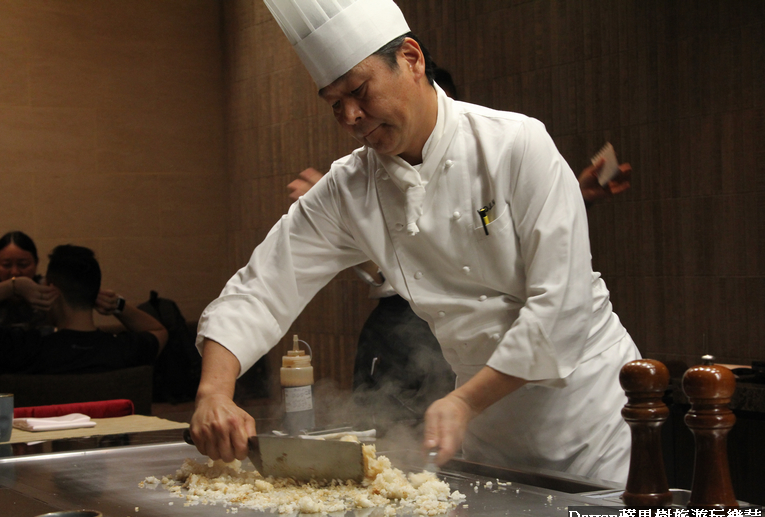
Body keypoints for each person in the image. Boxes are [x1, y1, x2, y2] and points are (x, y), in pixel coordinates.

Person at [190, 0, 640, 484]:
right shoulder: (350, 187)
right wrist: (213, 392)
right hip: (484, 430)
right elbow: (263, 286)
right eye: (334, 103)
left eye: (359, 91)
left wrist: (466, 400)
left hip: (588, 417)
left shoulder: (516, 144)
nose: (350, 116)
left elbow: (562, 308)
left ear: (411, 57)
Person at [0, 245, 167, 385]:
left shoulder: (23, 349)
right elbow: (158, 330)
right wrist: (119, 306)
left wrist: (12, 286)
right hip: (111, 445)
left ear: (52, 291)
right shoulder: (123, 350)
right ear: (94, 292)